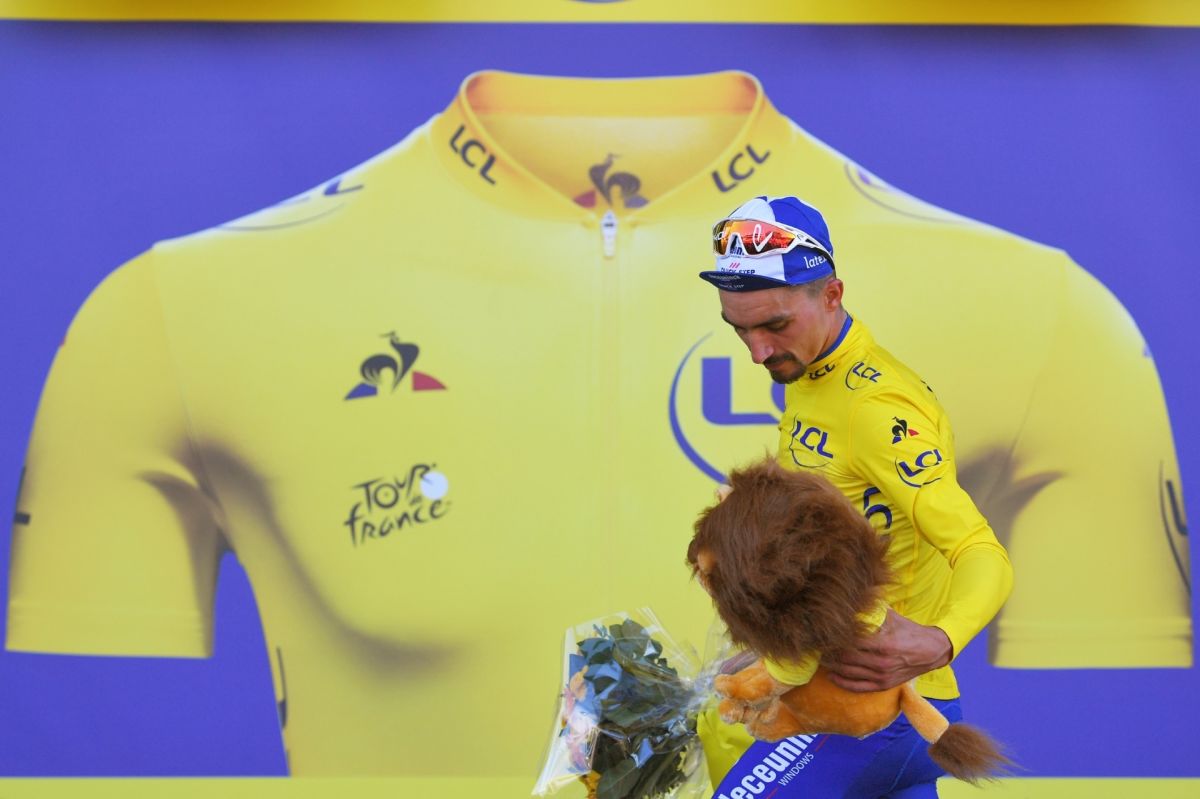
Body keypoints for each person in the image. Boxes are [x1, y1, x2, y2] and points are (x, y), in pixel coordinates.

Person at [695, 195, 1014, 796]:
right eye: (740, 329)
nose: (758, 351)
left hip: (873, 713)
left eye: (775, 325)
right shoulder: (813, 374)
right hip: (871, 710)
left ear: (832, 295)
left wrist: (941, 640)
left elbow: (980, 549)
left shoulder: (875, 406)